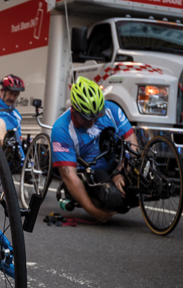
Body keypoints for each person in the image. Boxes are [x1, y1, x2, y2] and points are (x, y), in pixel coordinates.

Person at [51, 76, 140, 222]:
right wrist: (94, 212)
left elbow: (131, 142)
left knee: (141, 187)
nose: (93, 122)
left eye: (97, 116)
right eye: (87, 117)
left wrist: (121, 171)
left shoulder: (112, 109)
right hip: (93, 171)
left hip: (117, 163)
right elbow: (69, 176)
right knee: (113, 198)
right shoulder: (61, 130)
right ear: (74, 111)